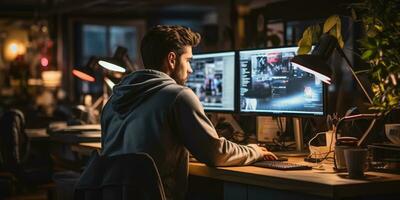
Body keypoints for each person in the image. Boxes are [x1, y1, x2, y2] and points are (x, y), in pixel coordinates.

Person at [100, 25, 277, 200]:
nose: (191, 69)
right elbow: (215, 153)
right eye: (188, 60)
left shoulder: (114, 100)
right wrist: (253, 151)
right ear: (171, 59)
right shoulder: (177, 95)